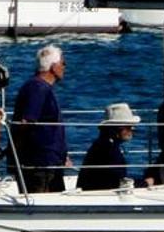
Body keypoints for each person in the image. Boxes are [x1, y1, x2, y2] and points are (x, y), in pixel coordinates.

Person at [8, 44, 70, 192]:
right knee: (44, 198)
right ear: (54, 67)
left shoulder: (38, 87)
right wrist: (15, 152)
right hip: (40, 163)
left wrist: (62, 155)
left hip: (48, 160)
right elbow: (27, 121)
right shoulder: (38, 88)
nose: (64, 67)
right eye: (63, 63)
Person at [76, 103, 140, 190]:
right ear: (115, 129)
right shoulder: (108, 149)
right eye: (128, 127)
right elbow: (119, 180)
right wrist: (145, 183)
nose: (132, 130)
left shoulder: (104, 143)